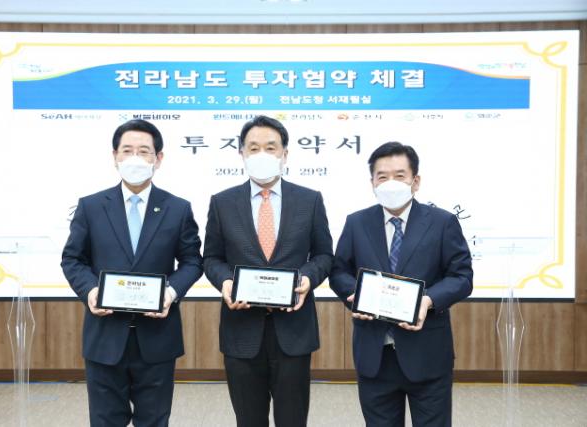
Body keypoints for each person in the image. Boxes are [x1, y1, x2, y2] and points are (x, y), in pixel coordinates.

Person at [61, 119, 203, 427]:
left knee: (154, 421)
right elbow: (72, 259)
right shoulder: (91, 206)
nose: (135, 158)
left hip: (158, 337)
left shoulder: (178, 208)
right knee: (105, 421)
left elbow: (193, 261)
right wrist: (91, 291)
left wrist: (170, 293)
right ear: (115, 156)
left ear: (158, 158)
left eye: (144, 151)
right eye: (127, 150)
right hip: (105, 336)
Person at [330, 141, 473, 427]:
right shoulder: (356, 222)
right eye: (382, 177)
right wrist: (355, 294)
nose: (390, 183)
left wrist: (427, 300)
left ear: (415, 181)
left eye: (399, 175)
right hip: (375, 353)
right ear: (372, 182)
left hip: (428, 352)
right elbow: (339, 271)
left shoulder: (442, 222)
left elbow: (462, 277)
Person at [203, 115, 333, 427]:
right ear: (242, 153)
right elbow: (211, 258)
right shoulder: (222, 203)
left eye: (271, 147)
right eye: (254, 147)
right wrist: (225, 281)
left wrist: (308, 278)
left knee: (292, 420)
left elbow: (324, 255)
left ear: (285, 154)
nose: (262, 154)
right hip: (241, 331)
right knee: (249, 420)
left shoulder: (310, 200)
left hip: (294, 331)